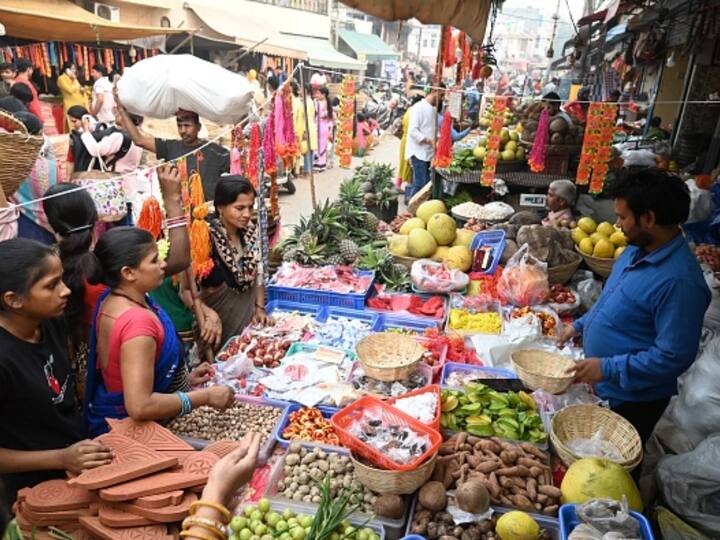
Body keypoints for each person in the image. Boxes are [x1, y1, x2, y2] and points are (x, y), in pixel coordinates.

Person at [557, 170, 711, 444]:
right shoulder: (635, 250)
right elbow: (610, 300)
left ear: (649, 218)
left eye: (623, 217)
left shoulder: (680, 282)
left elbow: (673, 357)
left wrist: (608, 368)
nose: (617, 224)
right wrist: (578, 326)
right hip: (602, 386)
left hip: (631, 401)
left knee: (612, 467)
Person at [84, 226, 233, 436]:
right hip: (132, 432)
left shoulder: (114, 300)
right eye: (154, 260)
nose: (163, 265)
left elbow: (130, 374)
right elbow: (140, 405)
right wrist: (205, 397)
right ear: (128, 273)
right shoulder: (138, 324)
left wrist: (183, 381)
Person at [0, 238, 114, 509]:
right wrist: (60, 458)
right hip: (29, 495)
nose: (65, 291)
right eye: (51, 285)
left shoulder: (50, 321)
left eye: (61, 279)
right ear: (14, 300)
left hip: (75, 468)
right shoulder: (4, 359)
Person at [116, 92, 230, 200]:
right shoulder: (170, 147)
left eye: (187, 125)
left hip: (207, 212)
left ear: (198, 127)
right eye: (180, 126)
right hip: (179, 211)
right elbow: (139, 140)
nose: (183, 130)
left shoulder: (216, 151)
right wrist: (122, 110)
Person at [200, 176, 267, 345]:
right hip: (217, 326)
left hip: (246, 322)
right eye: (239, 208)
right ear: (221, 207)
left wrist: (259, 307)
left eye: (250, 207)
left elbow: (258, 271)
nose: (247, 214)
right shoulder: (205, 238)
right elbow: (186, 293)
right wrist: (207, 312)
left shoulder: (251, 231)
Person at [405, 86, 444, 199]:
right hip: (418, 152)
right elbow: (413, 131)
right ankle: (410, 212)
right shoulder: (419, 107)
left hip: (428, 153)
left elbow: (433, 130)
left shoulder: (433, 109)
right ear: (434, 91)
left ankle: (416, 210)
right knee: (420, 184)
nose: (442, 99)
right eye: (441, 95)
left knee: (426, 184)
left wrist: (438, 140)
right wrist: (429, 141)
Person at [65, 105, 97, 177]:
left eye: (74, 121)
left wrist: (68, 178)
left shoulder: (77, 137)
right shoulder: (76, 136)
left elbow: (70, 160)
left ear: (83, 119)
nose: (72, 125)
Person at [57, 62, 87, 133]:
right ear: (67, 70)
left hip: (79, 104)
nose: (74, 71)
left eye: (74, 69)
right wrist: (74, 80)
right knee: (72, 125)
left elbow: (79, 88)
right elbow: (70, 90)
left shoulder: (74, 78)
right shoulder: (61, 79)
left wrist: (82, 90)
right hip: (70, 104)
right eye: (72, 69)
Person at [313, 87, 333, 171]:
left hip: (320, 126)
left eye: (318, 93)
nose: (317, 95)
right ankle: (321, 164)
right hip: (323, 126)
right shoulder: (326, 103)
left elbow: (318, 113)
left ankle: (319, 164)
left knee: (319, 144)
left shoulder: (319, 103)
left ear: (323, 95)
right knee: (321, 144)